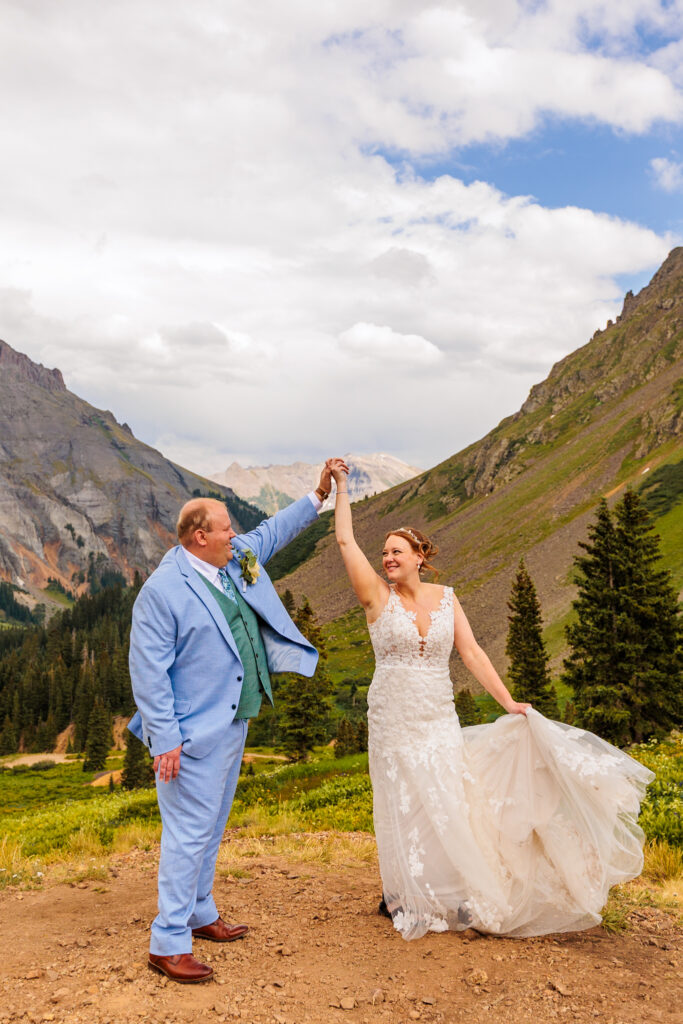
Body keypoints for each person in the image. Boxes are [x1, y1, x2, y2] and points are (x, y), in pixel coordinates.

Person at [328, 458, 654, 940]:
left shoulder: (447, 597)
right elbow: (345, 542)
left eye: (396, 551)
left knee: (446, 794)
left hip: (437, 712)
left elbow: (473, 652)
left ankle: (451, 889)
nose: (387, 558)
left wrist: (509, 704)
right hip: (393, 714)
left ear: (419, 556)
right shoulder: (376, 596)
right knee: (401, 799)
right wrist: (340, 487)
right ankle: (400, 892)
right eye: (384, 553)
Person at [128, 459, 346, 982]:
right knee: (187, 834)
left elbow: (272, 532)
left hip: (233, 720)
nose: (235, 535)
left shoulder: (232, 558)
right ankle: (167, 942)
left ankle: (199, 912)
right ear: (199, 537)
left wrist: (318, 495)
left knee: (211, 826)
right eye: (226, 528)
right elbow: (147, 671)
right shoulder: (163, 590)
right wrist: (165, 740)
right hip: (190, 735)